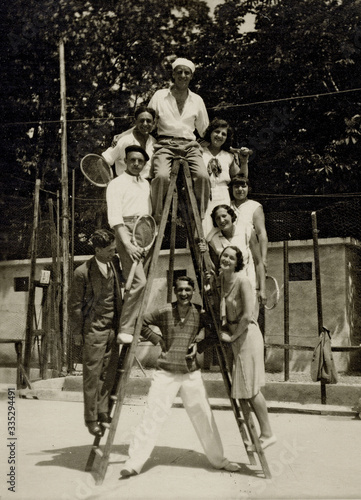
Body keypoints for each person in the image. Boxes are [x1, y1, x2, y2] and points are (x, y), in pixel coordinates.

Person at [119, 276, 241, 477]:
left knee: (204, 416)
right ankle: (133, 463)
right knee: (151, 417)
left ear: (193, 291)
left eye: (188, 290)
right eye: (180, 290)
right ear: (175, 292)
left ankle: (219, 460)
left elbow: (216, 332)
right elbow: (141, 322)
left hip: (190, 373)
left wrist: (199, 346)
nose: (184, 293)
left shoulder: (199, 313)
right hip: (165, 373)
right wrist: (157, 339)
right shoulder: (166, 311)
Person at [217, 245, 275, 451]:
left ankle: (267, 433)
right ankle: (255, 436)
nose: (226, 260)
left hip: (246, 335)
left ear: (237, 262)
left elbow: (248, 315)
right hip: (235, 337)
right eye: (225, 255)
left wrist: (232, 336)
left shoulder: (242, 280)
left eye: (231, 258)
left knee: (250, 389)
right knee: (241, 389)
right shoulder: (220, 281)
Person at [68, 229, 123, 437]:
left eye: (114, 249)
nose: (113, 253)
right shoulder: (82, 272)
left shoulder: (115, 264)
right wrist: (77, 332)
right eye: (109, 250)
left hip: (112, 329)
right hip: (92, 330)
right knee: (91, 376)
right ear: (98, 250)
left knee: (108, 373)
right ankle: (91, 419)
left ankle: (102, 411)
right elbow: (74, 305)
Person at [148, 57, 210, 223]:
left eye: (187, 73)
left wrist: (199, 143)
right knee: (161, 176)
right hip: (165, 145)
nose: (183, 75)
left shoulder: (197, 100)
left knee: (203, 176)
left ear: (191, 76)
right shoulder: (159, 96)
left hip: (190, 146)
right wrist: (124, 134)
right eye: (179, 72)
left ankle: (197, 215)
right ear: (173, 74)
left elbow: (206, 131)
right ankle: (159, 217)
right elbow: (146, 121)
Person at [106, 145, 152, 344]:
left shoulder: (146, 184)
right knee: (137, 282)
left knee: (142, 282)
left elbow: (150, 211)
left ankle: (136, 326)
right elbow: (115, 218)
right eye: (132, 160)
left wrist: (150, 237)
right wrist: (127, 244)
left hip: (146, 230)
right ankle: (124, 329)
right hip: (126, 230)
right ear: (124, 161)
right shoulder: (115, 184)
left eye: (140, 161)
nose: (136, 164)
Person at [204, 205, 266, 316]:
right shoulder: (213, 240)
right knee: (232, 324)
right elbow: (216, 268)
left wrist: (262, 289)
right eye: (217, 218)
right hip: (227, 288)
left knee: (249, 320)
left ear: (232, 216)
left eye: (224, 216)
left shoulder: (247, 230)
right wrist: (204, 252)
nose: (221, 220)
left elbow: (259, 262)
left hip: (249, 285)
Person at [201, 118, 251, 238]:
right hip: (203, 195)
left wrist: (244, 162)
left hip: (223, 196)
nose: (219, 136)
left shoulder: (228, 156)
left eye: (224, 134)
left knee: (222, 232)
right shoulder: (199, 153)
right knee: (205, 233)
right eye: (217, 132)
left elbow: (241, 178)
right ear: (210, 133)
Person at [102, 106, 156, 179]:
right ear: (135, 122)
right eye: (141, 120)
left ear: (153, 123)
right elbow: (101, 162)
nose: (145, 124)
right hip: (125, 186)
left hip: (146, 187)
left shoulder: (154, 143)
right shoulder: (125, 141)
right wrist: (109, 183)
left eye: (148, 121)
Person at [229, 174, 269, 271]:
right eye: (236, 186)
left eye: (243, 186)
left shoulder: (254, 206)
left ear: (249, 188)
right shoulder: (227, 205)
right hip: (231, 251)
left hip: (250, 250)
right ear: (232, 189)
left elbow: (261, 233)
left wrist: (263, 258)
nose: (240, 189)